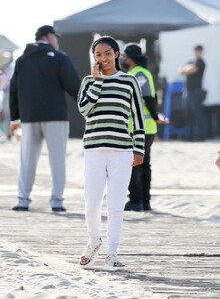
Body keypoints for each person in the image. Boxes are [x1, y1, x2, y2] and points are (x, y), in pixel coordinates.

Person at [78, 36, 145, 271]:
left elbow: (137, 116)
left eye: (107, 53)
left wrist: (139, 148)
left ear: (116, 54)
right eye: (98, 55)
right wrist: (97, 82)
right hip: (94, 149)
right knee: (92, 203)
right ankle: (94, 241)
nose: (103, 58)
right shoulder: (88, 81)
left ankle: (112, 252)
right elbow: (85, 110)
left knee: (116, 205)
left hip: (122, 151)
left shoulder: (129, 81)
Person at [9, 25, 80, 212]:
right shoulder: (59, 58)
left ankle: (23, 199)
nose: (57, 41)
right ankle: (57, 201)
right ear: (49, 36)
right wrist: (87, 106)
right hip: (55, 115)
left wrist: (15, 118)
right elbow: (74, 85)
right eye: (55, 37)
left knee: (27, 159)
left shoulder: (22, 60)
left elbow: (14, 91)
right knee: (57, 160)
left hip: (29, 116)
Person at [122, 43, 168, 212]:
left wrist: (156, 117)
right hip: (146, 127)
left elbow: (148, 98)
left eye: (125, 56)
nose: (123, 59)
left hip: (140, 127)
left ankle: (135, 200)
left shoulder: (138, 73)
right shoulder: (140, 72)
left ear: (130, 58)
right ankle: (145, 201)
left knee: (134, 164)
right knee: (144, 164)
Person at [180, 45, 206, 141]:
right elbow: (181, 70)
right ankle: (189, 136)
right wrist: (187, 68)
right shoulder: (191, 61)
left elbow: (191, 70)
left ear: (202, 52)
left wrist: (187, 69)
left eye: (199, 50)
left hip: (196, 92)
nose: (198, 52)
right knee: (188, 115)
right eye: (196, 50)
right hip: (188, 92)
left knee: (198, 115)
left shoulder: (201, 62)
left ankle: (201, 136)